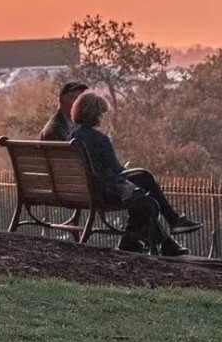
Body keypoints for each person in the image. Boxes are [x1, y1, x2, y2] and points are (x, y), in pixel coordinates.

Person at [69, 91, 202, 256]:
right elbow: (116, 170)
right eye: (101, 114)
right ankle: (171, 224)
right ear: (95, 114)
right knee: (145, 187)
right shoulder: (100, 139)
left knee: (143, 197)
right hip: (103, 191)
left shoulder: (73, 136)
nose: (101, 118)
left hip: (86, 189)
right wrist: (125, 172)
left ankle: (152, 241)